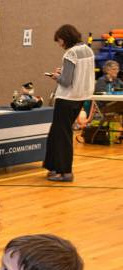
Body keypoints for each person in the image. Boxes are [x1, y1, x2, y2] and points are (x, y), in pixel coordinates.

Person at [44, 24, 95, 182]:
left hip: (67, 99)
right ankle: (52, 166)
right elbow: (79, 74)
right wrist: (64, 72)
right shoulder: (88, 50)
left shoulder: (70, 53)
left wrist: (55, 76)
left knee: (62, 135)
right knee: (56, 132)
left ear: (64, 38)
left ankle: (64, 171)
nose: (59, 44)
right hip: (80, 98)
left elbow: (65, 82)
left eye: (59, 41)